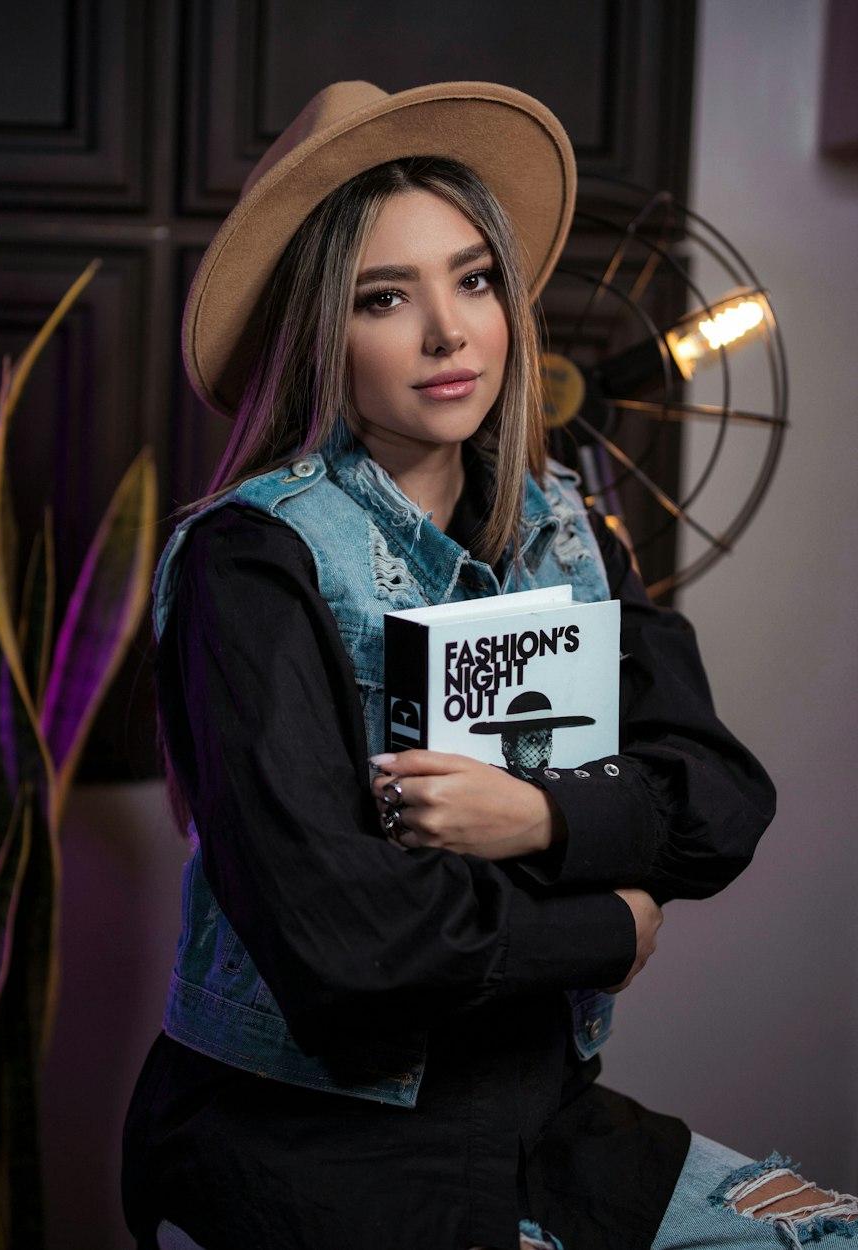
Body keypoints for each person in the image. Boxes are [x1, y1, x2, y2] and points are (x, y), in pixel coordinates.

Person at [122, 82, 854, 1250]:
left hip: (546, 1120)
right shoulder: (249, 560)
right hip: (305, 1145)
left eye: (471, 279)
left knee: (829, 1233)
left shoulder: (569, 522)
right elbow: (346, 947)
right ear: (323, 332)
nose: (448, 332)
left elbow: (718, 801)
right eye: (383, 297)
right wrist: (612, 924)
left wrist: (535, 817)